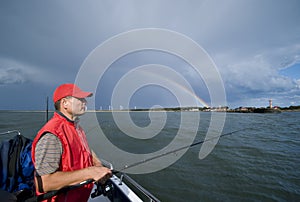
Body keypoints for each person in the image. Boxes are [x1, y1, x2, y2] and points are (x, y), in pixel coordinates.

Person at [31, 83, 112, 202]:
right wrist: (90, 172)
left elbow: (85, 148)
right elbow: (44, 183)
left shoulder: (77, 127)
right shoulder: (52, 135)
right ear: (64, 103)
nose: (85, 102)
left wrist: (98, 164)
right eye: (80, 99)